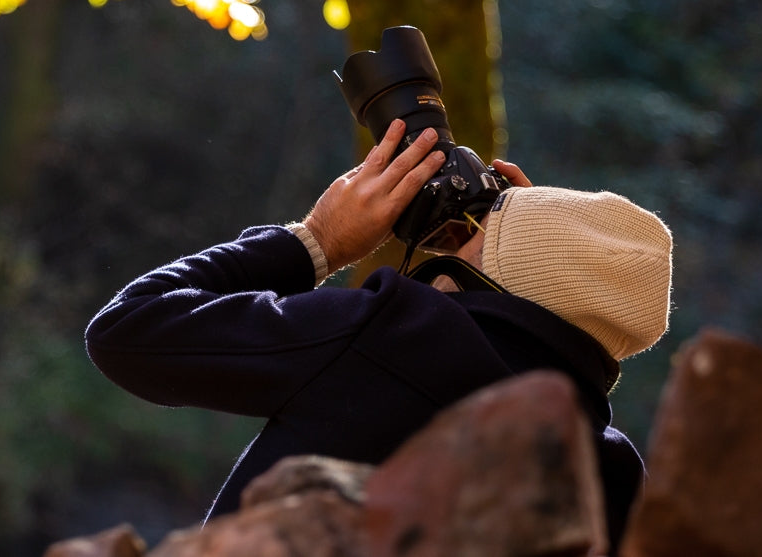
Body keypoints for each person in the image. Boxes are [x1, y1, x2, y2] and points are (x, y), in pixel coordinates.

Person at [84, 118, 673, 550]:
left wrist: (315, 242)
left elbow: (129, 330)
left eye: (474, 231)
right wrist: (522, 231)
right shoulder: (610, 474)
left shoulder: (397, 335)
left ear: (483, 272)